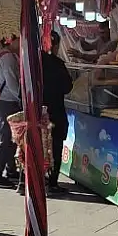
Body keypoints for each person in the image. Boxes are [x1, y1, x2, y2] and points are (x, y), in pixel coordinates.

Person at [41, 31, 74, 191]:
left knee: (38, 146)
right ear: (55, 46)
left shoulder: (32, 63)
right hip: (55, 112)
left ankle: (34, 181)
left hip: (37, 113)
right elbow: (67, 87)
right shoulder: (58, 64)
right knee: (55, 147)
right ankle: (52, 182)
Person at [0, 35, 21, 190]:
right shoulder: (7, 58)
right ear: (11, 40)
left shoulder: (0, 54)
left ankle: (10, 169)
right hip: (6, 102)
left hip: (1, 101)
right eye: (19, 39)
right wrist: (22, 98)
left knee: (9, 137)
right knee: (5, 137)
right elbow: (12, 83)